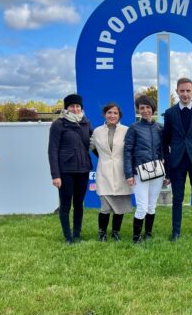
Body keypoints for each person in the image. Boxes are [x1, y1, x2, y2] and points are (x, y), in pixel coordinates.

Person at [163, 78, 192, 240]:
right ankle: (176, 232)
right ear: (177, 91)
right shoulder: (170, 113)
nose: (185, 94)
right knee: (177, 198)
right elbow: (166, 139)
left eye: (188, 90)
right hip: (177, 161)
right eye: (182, 91)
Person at [48, 93, 93, 244]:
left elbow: (94, 144)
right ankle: (68, 237)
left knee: (79, 204)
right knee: (65, 204)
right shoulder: (58, 124)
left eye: (77, 106)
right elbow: (52, 151)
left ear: (81, 107)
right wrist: (55, 175)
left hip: (83, 170)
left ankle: (77, 234)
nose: (75, 109)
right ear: (66, 108)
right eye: (72, 106)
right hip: (65, 171)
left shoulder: (86, 122)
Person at [123, 95, 164, 243]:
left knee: (152, 206)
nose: (145, 110)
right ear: (138, 110)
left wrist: (167, 174)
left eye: (148, 107)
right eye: (142, 108)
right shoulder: (134, 128)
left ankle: (148, 233)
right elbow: (127, 151)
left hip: (157, 172)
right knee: (142, 207)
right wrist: (129, 174)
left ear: (153, 109)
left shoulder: (160, 128)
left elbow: (164, 151)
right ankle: (136, 237)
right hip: (139, 173)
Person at [90, 103, 132, 242]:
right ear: (104, 114)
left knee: (119, 206)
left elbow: (131, 150)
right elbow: (90, 147)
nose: (112, 115)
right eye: (109, 112)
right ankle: (102, 233)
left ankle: (115, 233)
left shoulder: (127, 130)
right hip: (104, 173)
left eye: (115, 113)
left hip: (121, 173)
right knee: (105, 207)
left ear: (119, 115)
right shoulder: (97, 131)